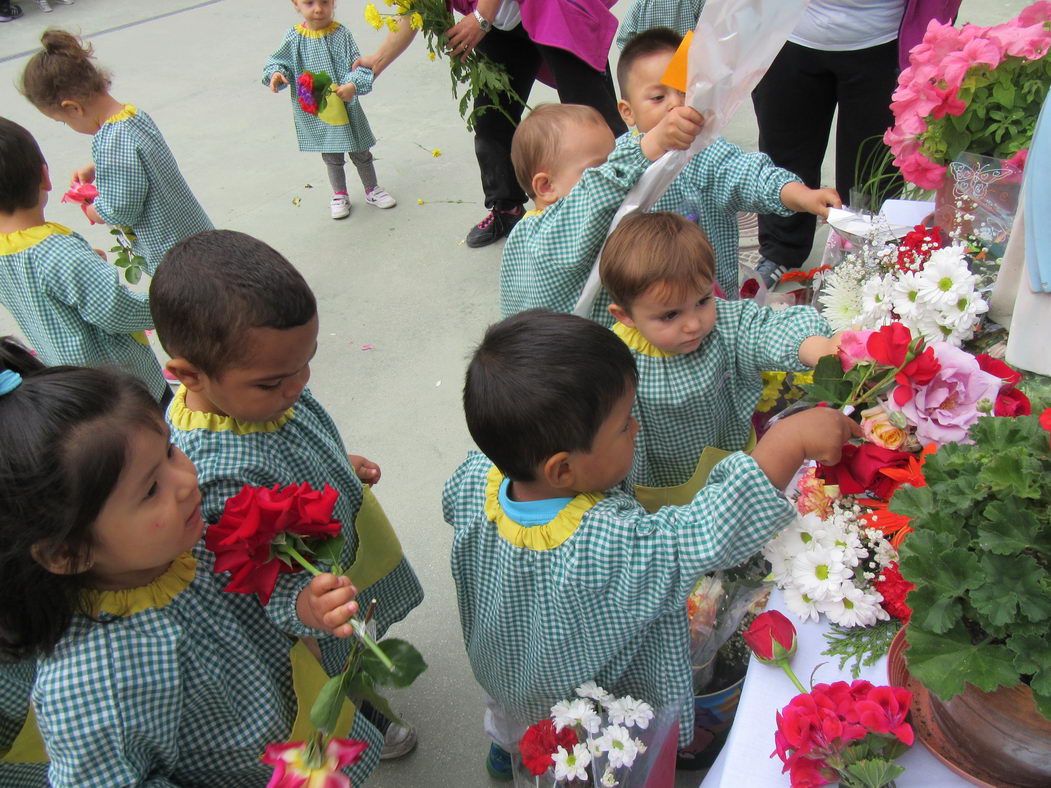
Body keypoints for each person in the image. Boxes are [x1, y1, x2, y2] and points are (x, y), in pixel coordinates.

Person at [444, 309, 858, 780]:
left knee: (512, 717)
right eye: (624, 425)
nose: (637, 427)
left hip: (504, 662)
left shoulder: (474, 476)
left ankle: (506, 749)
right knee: (595, 763)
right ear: (562, 469)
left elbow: (452, 511)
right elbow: (705, 530)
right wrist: (788, 441)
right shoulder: (607, 542)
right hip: (585, 706)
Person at [0, 353, 373, 786]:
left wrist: (302, 605)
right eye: (150, 489)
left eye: (170, 450)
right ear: (68, 553)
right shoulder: (93, 683)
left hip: (291, 726)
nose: (186, 480)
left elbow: (257, 584)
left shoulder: (186, 539)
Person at [150, 229, 424, 761]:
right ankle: (363, 715)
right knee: (330, 661)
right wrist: (301, 605)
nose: (297, 385)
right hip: (300, 606)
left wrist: (336, 461)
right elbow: (249, 573)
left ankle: (362, 678)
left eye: (307, 363)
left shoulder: (264, 388)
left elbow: (295, 423)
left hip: (331, 557)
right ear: (188, 374)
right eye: (275, 381)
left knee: (358, 626)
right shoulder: (211, 476)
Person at [600, 212, 839, 508]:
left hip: (731, 453)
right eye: (670, 315)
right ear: (625, 316)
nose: (693, 324)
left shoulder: (725, 325)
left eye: (702, 301)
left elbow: (767, 329)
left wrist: (818, 347)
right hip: (661, 484)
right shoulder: (613, 360)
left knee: (739, 514)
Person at [356, 1, 628, 248]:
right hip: (502, 21)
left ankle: (628, 202)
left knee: (592, 113)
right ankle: (507, 209)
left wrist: (481, 18)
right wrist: (377, 62)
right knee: (491, 116)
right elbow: (414, 6)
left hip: (550, 8)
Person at [615, 28, 841, 299]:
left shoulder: (705, 151)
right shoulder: (618, 164)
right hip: (644, 309)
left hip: (712, 302)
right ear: (628, 112)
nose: (675, 105)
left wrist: (802, 195)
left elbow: (749, 176)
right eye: (658, 98)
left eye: (684, 92)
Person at [0, 117, 169, 405]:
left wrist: (89, 268)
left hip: (74, 386)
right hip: (125, 387)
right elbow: (117, 312)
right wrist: (172, 306)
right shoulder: (57, 251)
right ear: (45, 176)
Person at [20, 30, 213, 277]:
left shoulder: (111, 140)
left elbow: (122, 207)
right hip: (193, 229)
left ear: (73, 108)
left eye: (63, 121)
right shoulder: (132, 115)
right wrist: (97, 166)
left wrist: (95, 211)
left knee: (198, 299)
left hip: (171, 249)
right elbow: (141, 156)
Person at [499, 101, 704, 324]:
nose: (611, 171)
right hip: (573, 355)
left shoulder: (580, 222)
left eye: (612, 157)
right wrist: (649, 146)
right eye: (599, 167)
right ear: (547, 187)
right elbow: (594, 194)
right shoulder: (543, 239)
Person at [750, 0, 908, 288]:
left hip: (883, 36)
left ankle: (861, 257)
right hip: (790, 32)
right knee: (784, 154)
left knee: (873, 167)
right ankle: (780, 249)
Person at [264, 0, 396, 220]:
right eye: (309, 3)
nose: (318, 9)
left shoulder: (341, 34)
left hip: (343, 101)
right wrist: (276, 74)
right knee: (331, 153)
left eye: (325, 2)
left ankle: (371, 189)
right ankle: (339, 194)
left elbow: (358, 64)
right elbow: (278, 62)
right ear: (296, 4)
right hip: (316, 101)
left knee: (360, 149)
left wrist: (353, 85)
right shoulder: (293, 37)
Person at [616, 0, 705, 49]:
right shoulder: (694, 1)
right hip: (687, 68)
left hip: (651, 70)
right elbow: (707, 29)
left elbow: (624, 40)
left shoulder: (640, 3)